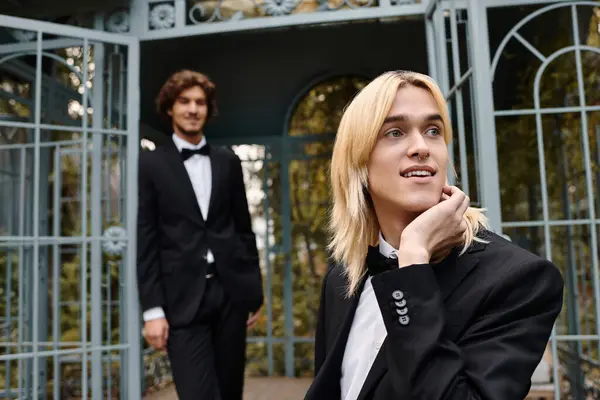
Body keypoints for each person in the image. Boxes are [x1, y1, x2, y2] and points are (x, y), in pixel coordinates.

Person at [304, 70, 564, 400]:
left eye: (433, 130)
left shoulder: (519, 279)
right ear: (358, 164)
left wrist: (413, 264)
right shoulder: (342, 279)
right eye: (395, 132)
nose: (421, 147)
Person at [137, 69, 264, 400]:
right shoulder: (151, 164)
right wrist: (152, 311)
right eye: (184, 102)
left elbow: (243, 230)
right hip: (180, 299)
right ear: (170, 108)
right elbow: (146, 238)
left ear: (208, 109)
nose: (193, 109)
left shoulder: (228, 161)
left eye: (200, 102)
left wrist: (254, 293)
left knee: (229, 391)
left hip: (230, 294)